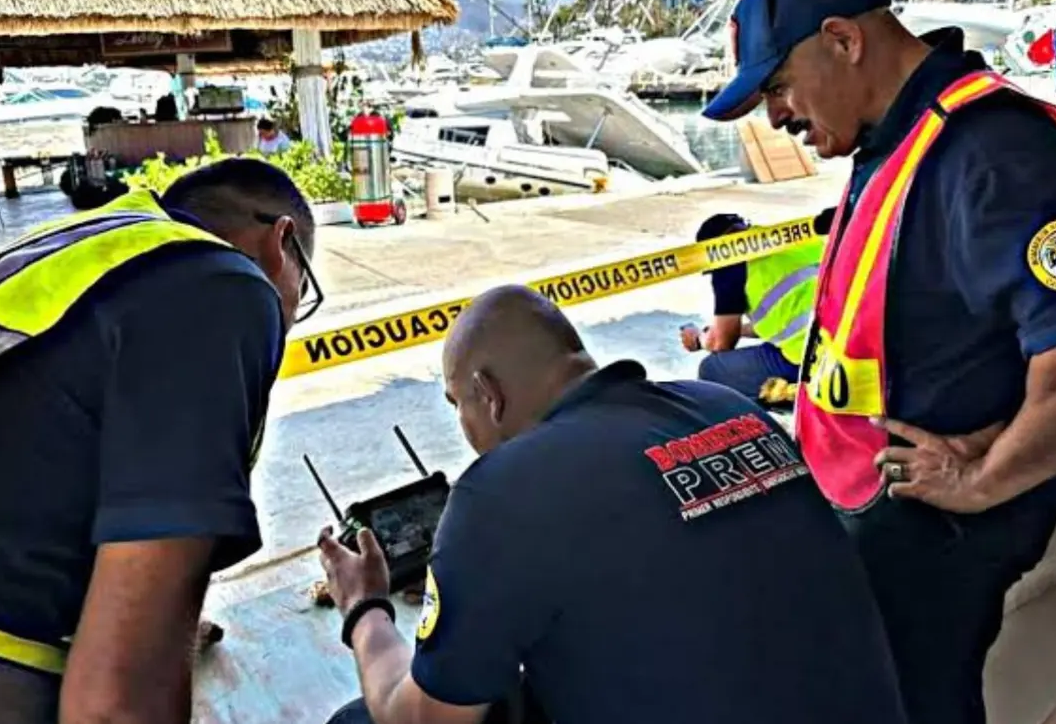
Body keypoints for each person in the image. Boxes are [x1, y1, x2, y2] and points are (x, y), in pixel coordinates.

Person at [701, 0, 1056, 724]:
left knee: (918, 699)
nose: (776, 118)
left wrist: (985, 477)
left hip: (946, 522)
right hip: (890, 496)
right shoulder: (903, 136)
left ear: (843, 40)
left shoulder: (993, 153)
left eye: (779, 88)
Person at [0, 157, 322, 723]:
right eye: (301, 292)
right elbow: (115, 706)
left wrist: (168, 622)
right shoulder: (225, 283)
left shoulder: (88, 254)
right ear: (280, 242)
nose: (289, 316)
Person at [318, 285, 908, 724]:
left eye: (458, 404)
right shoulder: (729, 408)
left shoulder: (499, 493)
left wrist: (364, 607)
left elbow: (422, 719)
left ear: (489, 396)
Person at [682, 211, 828, 401]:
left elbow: (721, 344)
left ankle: (792, 402)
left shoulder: (730, 264)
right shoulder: (796, 237)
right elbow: (792, 315)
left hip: (812, 359)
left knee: (712, 369)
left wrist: (699, 339)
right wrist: (739, 330)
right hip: (849, 339)